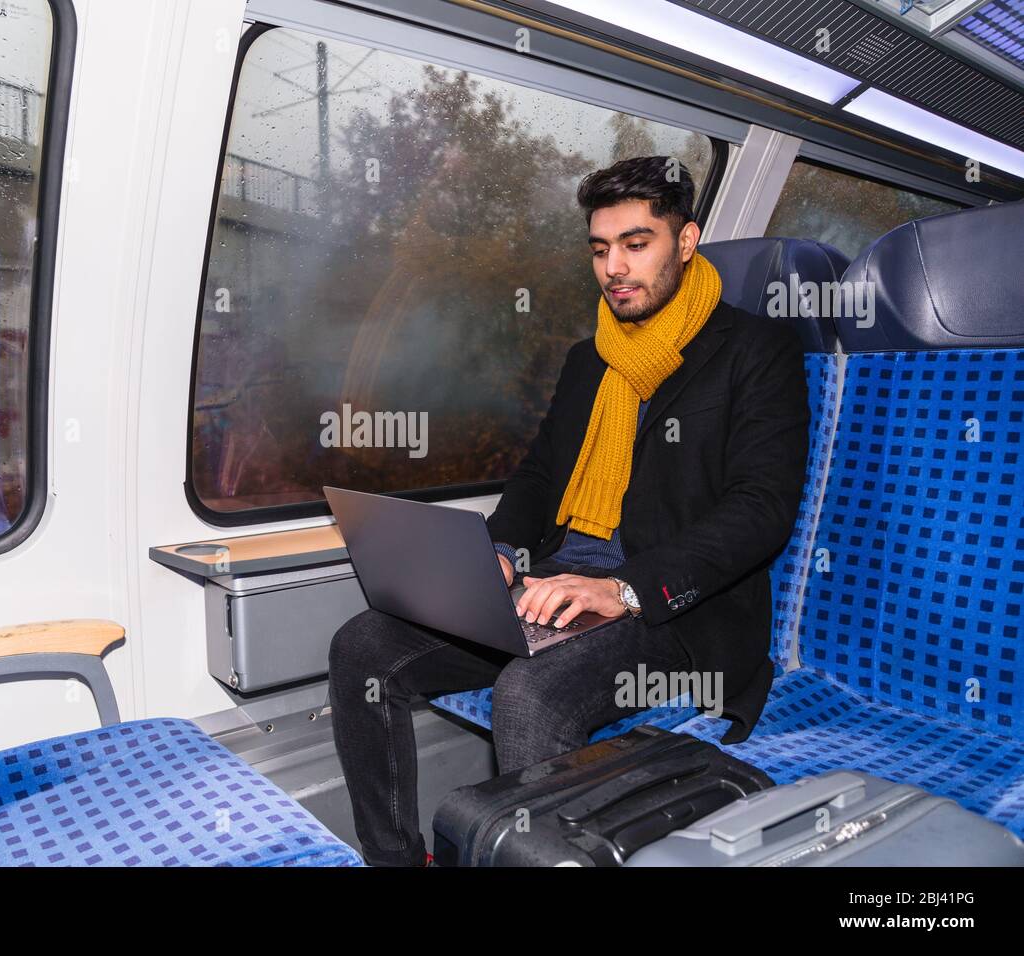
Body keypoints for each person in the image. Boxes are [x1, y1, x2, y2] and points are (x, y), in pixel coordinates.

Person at [327, 155, 810, 867]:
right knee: (362, 646)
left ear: (685, 240)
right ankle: (394, 859)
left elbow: (761, 509)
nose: (614, 267)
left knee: (529, 694)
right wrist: (494, 552)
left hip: (672, 614)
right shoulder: (591, 359)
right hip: (556, 584)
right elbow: (542, 476)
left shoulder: (755, 350)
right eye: (599, 248)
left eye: (636, 244)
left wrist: (624, 588)